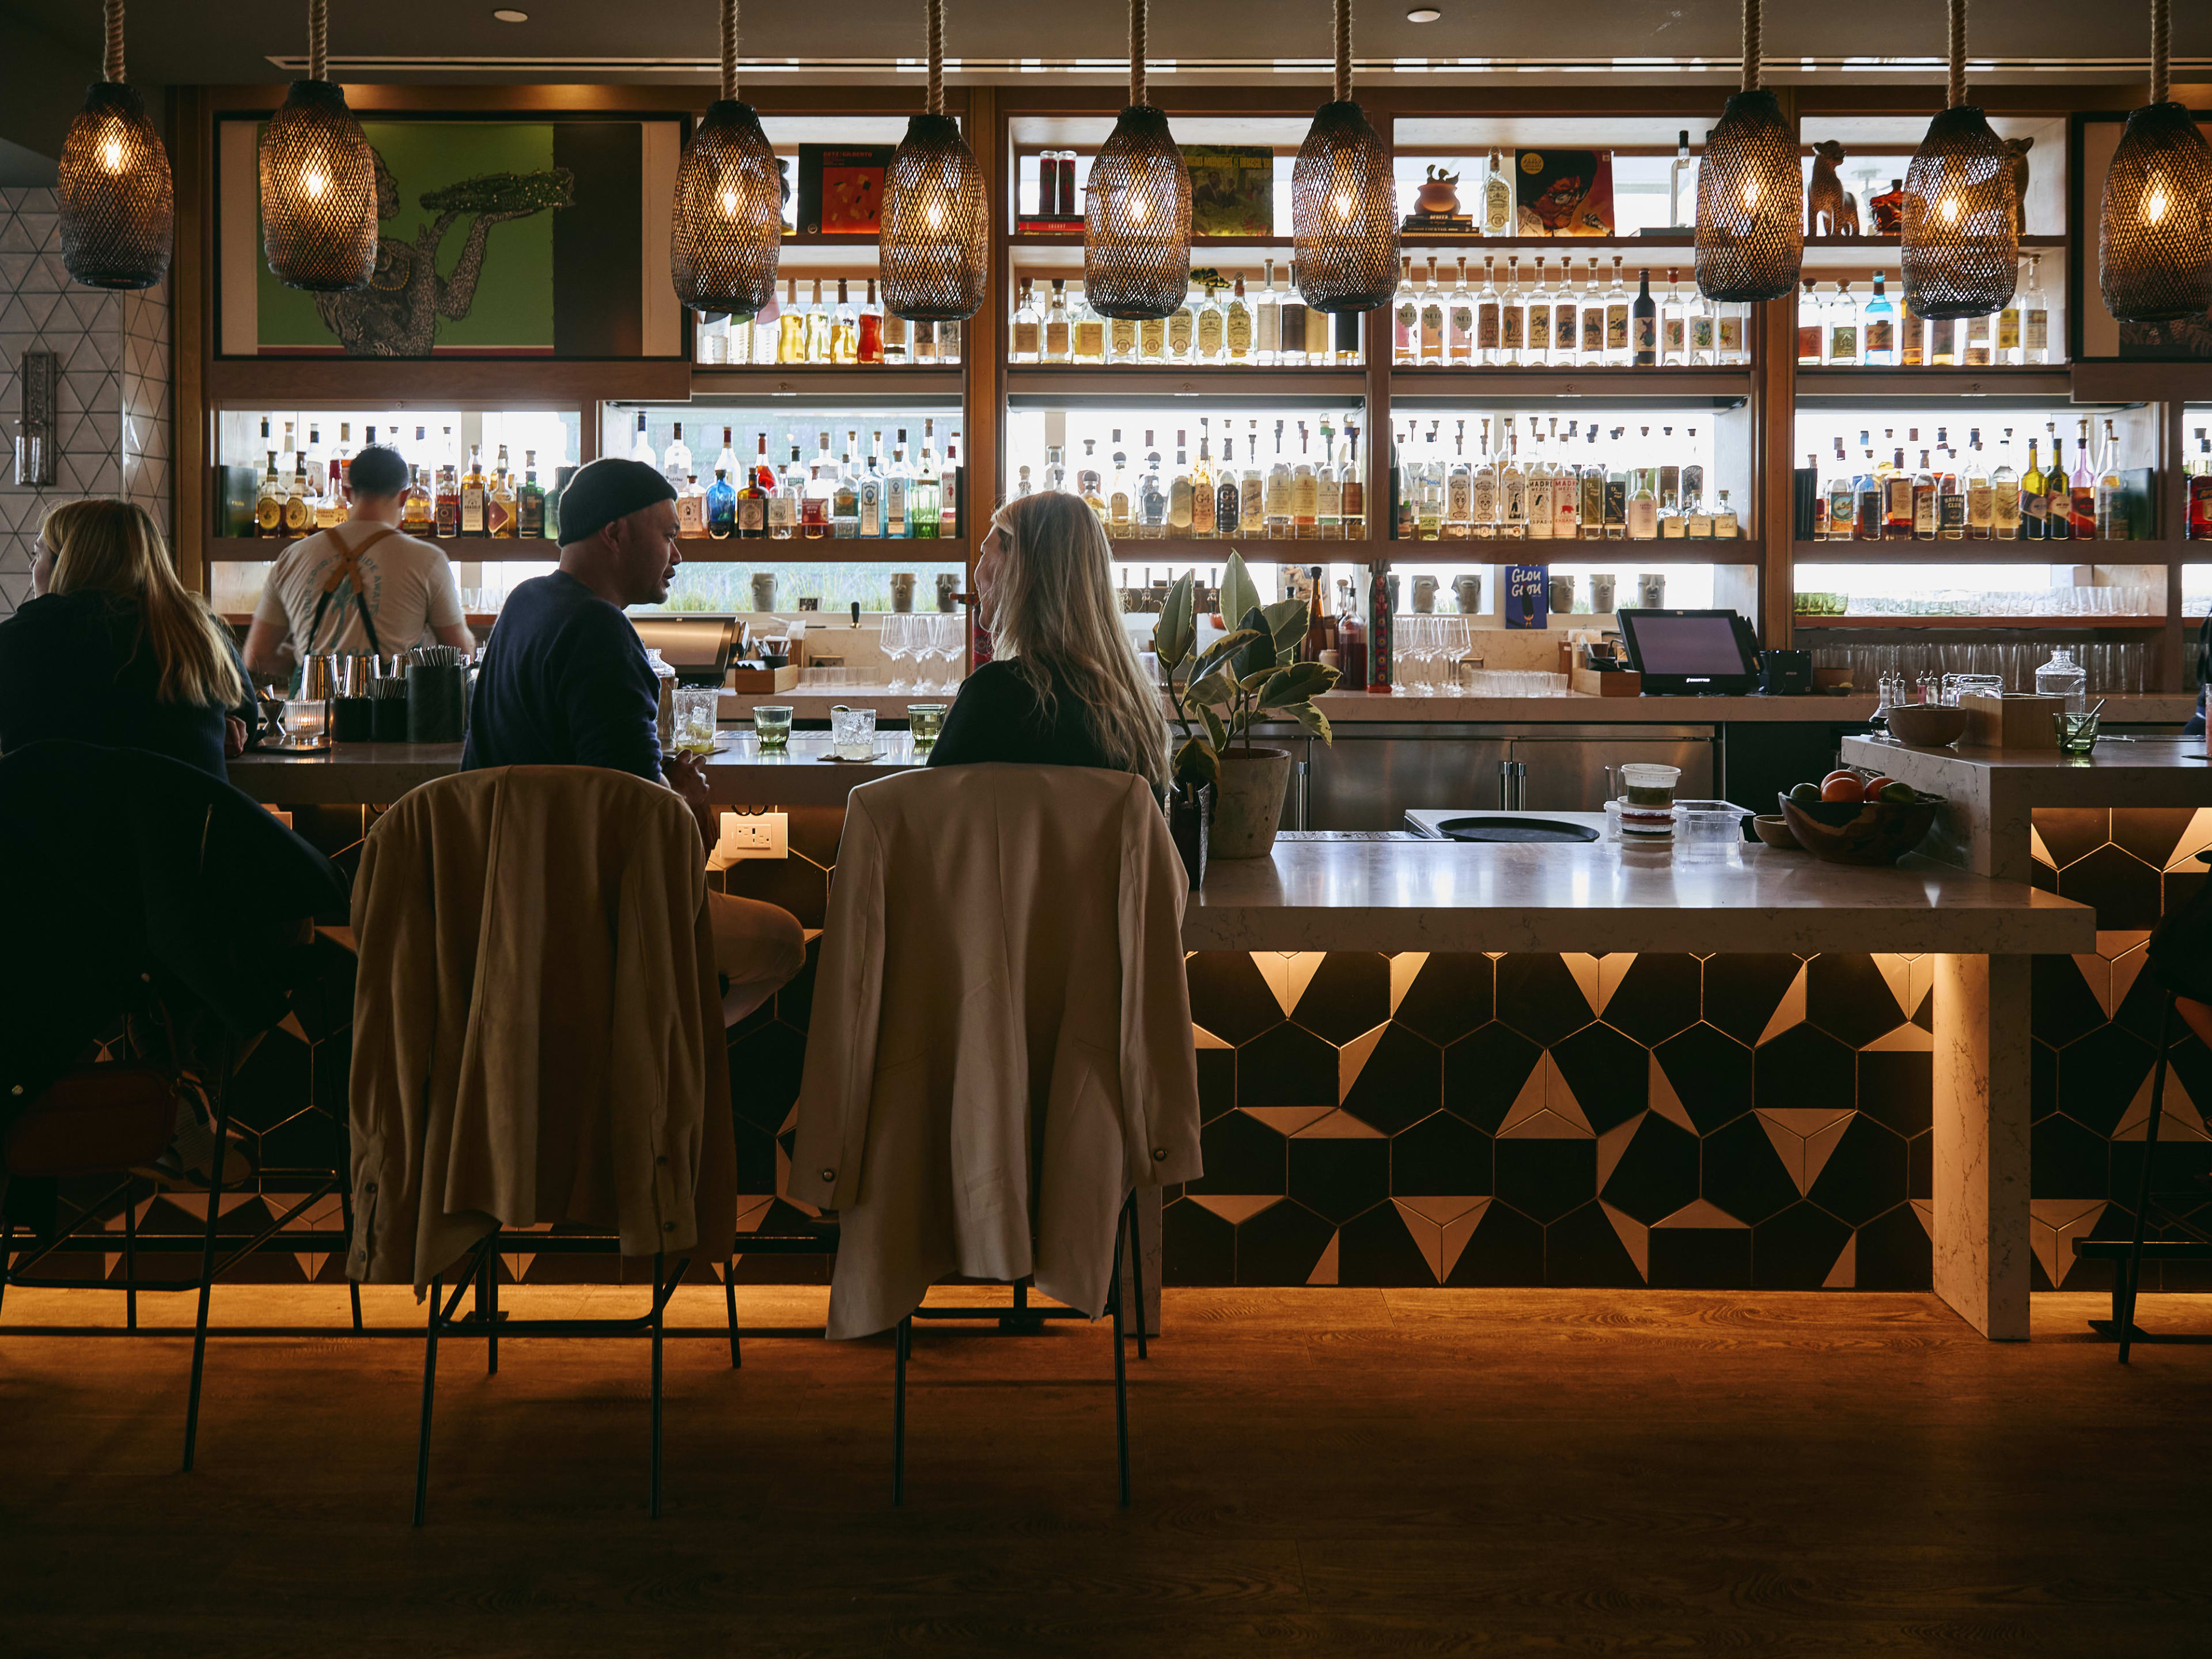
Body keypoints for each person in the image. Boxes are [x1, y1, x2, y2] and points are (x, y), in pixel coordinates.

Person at [463, 456, 804, 1024]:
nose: (678, 555)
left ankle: (638, 1051)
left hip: (499, 895)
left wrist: (659, 784)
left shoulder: (525, 603)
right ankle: (665, 1066)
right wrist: (689, 808)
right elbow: (639, 837)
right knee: (785, 943)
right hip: (590, 908)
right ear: (615, 532)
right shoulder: (601, 631)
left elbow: (586, 775)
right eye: (669, 535)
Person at [926, 488, 1168, 791]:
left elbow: (930, 817)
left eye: (985, 554)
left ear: (1019, 570)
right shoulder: (1137, 712)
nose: (977, 574)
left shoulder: (990, 696)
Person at [0, 499, 256, 779]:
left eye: (38, 556)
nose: (32, 568)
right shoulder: (195, 630)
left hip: (50, 822)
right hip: (181, 822)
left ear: (67, 564)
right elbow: (248, 719)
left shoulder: (21, 636)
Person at [242, 442, 473, 676]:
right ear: (405, 496)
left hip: (311, 710)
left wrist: (311, 668)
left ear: (346, 491)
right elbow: (462, 653)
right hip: (387, 709)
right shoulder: (428, 560)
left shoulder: (292, 557)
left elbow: (256, 657)